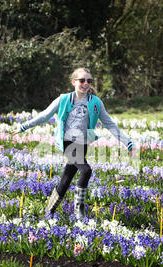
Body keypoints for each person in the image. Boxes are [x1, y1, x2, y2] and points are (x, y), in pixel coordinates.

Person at [12, 67, 134, 220]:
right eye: (82, 80)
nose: (86, 84)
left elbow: (109, 124)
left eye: (89, 81)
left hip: (83, 142)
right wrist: (23, 127)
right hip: (68, 141)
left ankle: (49, 211)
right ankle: (79, 212)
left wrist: (128, 143)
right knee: (86, 170)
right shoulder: (64, 99)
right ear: (74, 82)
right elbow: (44, 115)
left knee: (67, 177)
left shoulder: (95, 102)